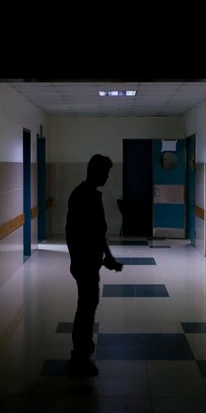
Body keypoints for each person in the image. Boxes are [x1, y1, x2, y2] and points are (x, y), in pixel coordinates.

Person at [65, 154, 123, 376]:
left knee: (89, 302)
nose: (107, 177)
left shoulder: (89, 194)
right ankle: (79, 353)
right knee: (86, 305)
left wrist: (107, 256)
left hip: (90, 261)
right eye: (105, 173)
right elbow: (75, 233)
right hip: (85, 262)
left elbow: (98, 233)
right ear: (95, 172)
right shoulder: (83, 196)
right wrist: (79, 260)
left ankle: (83, 348)